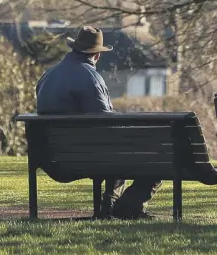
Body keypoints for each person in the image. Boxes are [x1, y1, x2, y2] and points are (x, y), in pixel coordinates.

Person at [36, 25, 162, 219]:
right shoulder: (91, 78)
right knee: (153, 155)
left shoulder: (47, 75)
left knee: (114, 148)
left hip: (51, 158)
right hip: (87, 156)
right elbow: (106, 124)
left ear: (74, 48)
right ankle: (127, 206)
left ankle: (112, 205)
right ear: (97, 55)